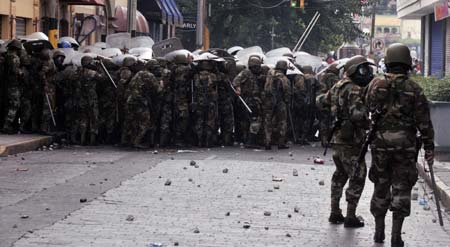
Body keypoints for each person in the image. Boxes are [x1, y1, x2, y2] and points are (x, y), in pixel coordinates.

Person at [365, 43, 434, 247]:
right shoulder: (414, 89)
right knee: (402, 188)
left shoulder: (376, 84)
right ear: (407, 63)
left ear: (387, 62)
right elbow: (424, 122)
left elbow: (368, 106)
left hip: (380, 144)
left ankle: (379, 232)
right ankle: (396, 235)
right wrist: (429, 146)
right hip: (405, 146)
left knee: (380, 185)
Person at [324, 55, 372, 228]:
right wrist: (369, 122)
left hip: (337, 138)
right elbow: (358, 115)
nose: (367, 73)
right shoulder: (354, 89)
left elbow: (322, 101)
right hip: (351, 140)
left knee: (340, 174)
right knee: (357, 175)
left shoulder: (338, 86)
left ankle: (335, 211)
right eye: (363, 69)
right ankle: (351, 215)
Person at [232, 56, 263, 148]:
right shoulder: (246, 73)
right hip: (247, 100)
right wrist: (238, 88)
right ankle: (249, 141)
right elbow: (235, 81)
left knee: (251, 121)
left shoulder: (257, 75)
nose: (258, 68)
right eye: (256, 66)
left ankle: (249, 140)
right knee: (251, 121)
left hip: (255, 100)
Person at [263, 60, 290, 150]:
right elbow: (287, 92)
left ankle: (267, 142)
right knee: (282, 122)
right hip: (280, 102)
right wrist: (287, 101)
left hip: (269, 101)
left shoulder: (269, 74)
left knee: (268, 122)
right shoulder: (284, 78)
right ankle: (281, 143)